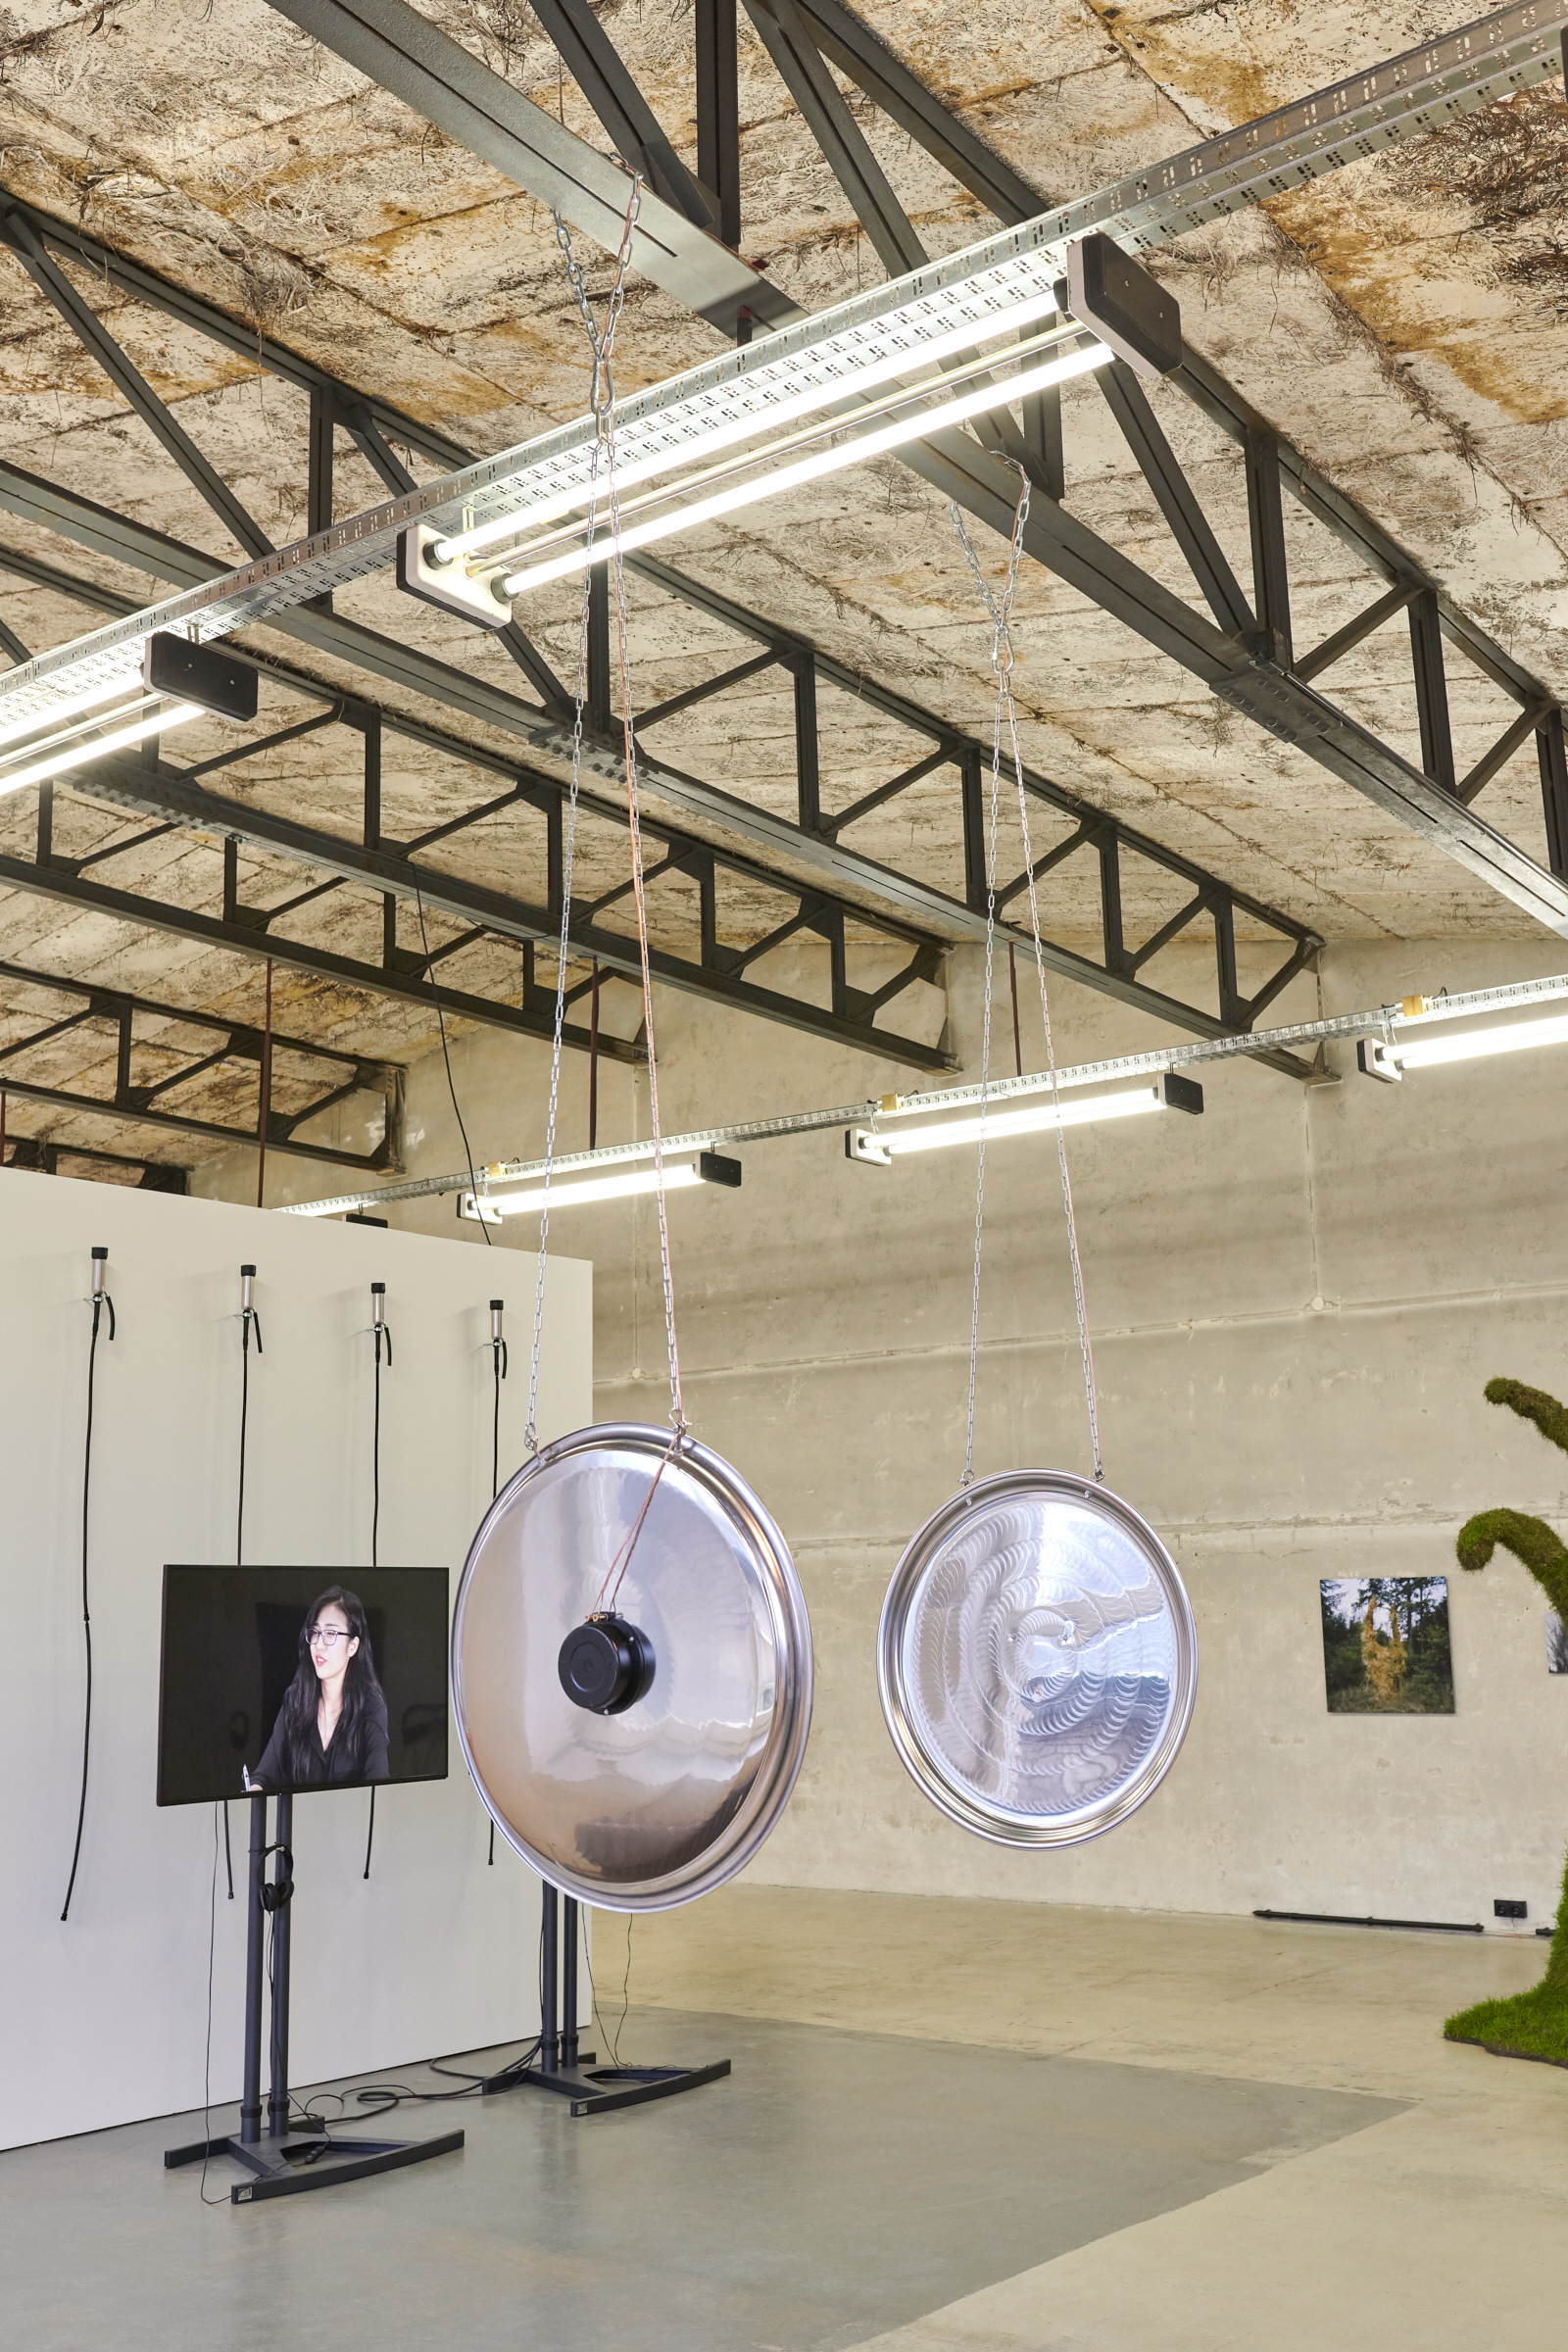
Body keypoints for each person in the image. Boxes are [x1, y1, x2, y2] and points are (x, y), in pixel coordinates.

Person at [253, 1587, 389, 1788]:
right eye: (315, 1632)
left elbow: (380, 1785)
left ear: (352, 1646)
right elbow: (264, 1776)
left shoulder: (371, 1708)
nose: (319, 1644)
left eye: (330, 1633)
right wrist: (253, 1790)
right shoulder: (295, 1700)